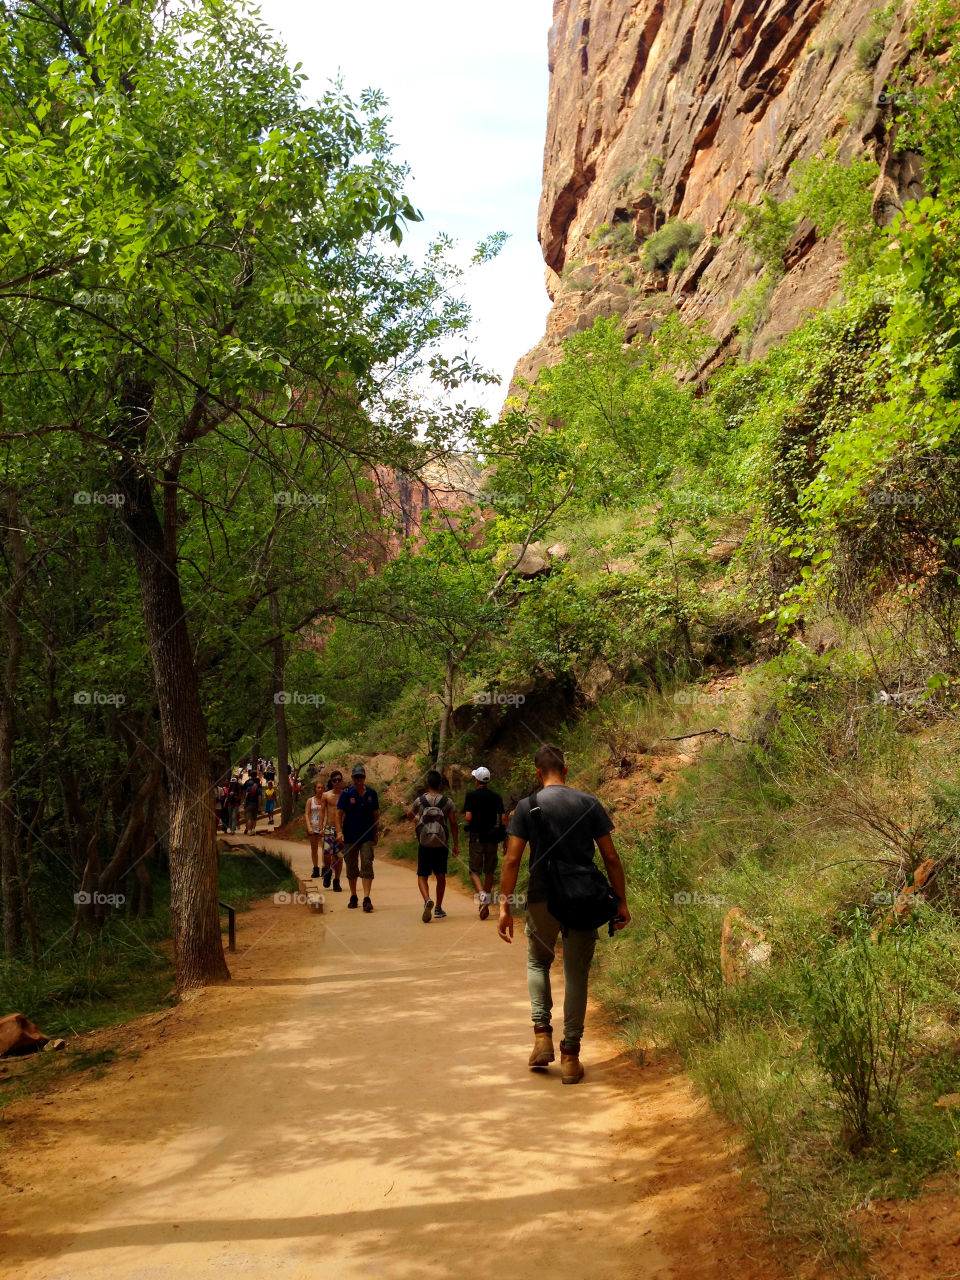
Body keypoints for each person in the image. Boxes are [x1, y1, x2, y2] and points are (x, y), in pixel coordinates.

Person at [497, 744, 630, 1086]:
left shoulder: (527, 807)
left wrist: (503, 906)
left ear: (537, 773)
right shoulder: (588, 804)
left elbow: (511, 860)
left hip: (543, 897)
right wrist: (621, 902)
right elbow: (611, 857)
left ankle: (542, 1037)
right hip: (583, 898)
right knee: (576, 974)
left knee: (538, 962)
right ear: (565, 770)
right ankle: (571, 1056)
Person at [409, 770, 459, 923]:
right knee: (440, 876)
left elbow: (410, 816)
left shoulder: (420, 801)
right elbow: (452, 823)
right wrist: (455, 844)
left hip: (424, 843)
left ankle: (426, 900)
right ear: (441, 784)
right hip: (441, 844)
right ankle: (438, 907)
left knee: (422, 876)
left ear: (427, 784)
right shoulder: (447, 802)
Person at [463, 766, 505, 920]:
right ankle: (485, 904)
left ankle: (481, 895)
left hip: (477, 837)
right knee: (489, 871)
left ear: (476, 780)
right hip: (492, 838)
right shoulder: (496, 797)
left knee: (474, 870)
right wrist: (504, 837)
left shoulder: (471, 796)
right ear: (488, 780)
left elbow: (468, 817)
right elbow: (504, 819)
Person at [336, 765, 379, 912]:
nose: (359, 780)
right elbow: (339, 813)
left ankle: (366, 898)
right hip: (350, 835)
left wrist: (376, 832)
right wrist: (338, 831)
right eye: (356, 777)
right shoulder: (346, 794)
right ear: (353, 778)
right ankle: (353, 895)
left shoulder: (372, 794)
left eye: (361, 777)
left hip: (367, 835)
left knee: (367, 862)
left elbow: (376, 814)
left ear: (364, 778)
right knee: (351, 865)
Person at [320, 769, 345, 891]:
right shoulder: (326, 795)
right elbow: (322, 812)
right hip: (329, 828)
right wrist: (320, 828)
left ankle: (337, 880)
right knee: (327, 854)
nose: (337, 782)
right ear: (331, 781)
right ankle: (328, 871)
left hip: (340, 829)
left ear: (342, 781)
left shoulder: (345, 795)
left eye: (339, 780)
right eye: (335, 780)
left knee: (339, 856)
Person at [305, 780, 325, 878]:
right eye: (318, 787)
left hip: (324, 827)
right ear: (315, 789)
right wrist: (309, 826)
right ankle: (316, 868)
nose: (320, 789)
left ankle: (325, 867)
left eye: (322, 788)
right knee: (314, 849)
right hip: (313, 826)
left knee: (325, 848)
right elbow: (307, 813)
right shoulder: (310, 800)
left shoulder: (326, 800)